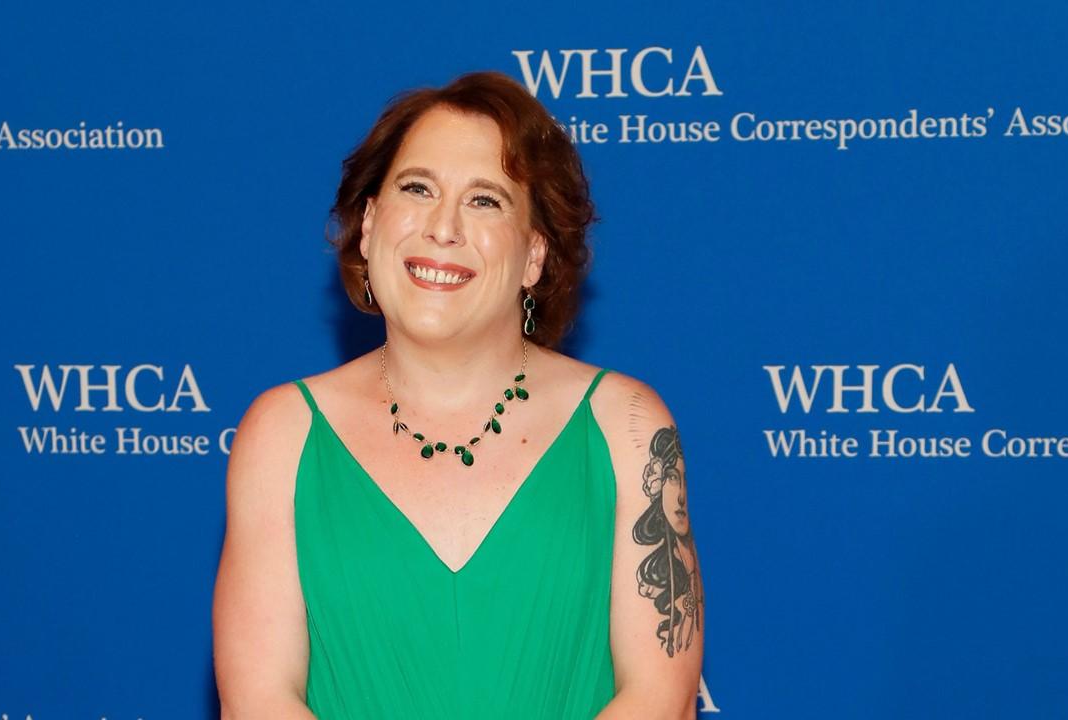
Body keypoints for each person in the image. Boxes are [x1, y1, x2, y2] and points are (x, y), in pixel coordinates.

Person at [213, 70, 704, 719]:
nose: (442, 227)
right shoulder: (281, 433)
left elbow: (657, 701)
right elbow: (261, 702)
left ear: (534, 254)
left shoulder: (630, 428)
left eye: (485, 200)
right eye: (417, 188)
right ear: (368, 224)